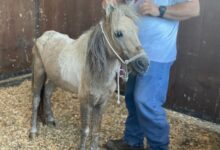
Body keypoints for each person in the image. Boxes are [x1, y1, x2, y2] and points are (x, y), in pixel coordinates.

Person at [102, 0, 200, 150]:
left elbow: (193, 9)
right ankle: (133, 142)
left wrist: (159, 10)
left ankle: (159, 147)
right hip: (133, 53)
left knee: (146, 102)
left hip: (156, 55)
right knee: (132, 100)